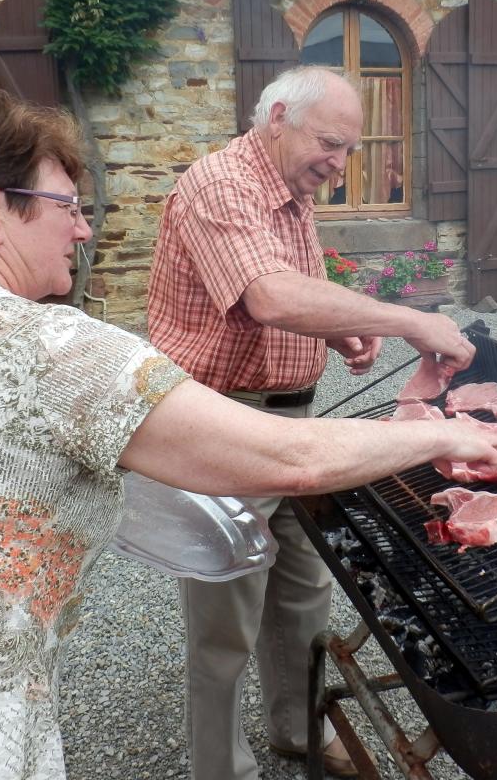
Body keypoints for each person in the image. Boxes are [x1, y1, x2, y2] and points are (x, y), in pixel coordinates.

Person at [0, 88, 497, 780]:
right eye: (67, 208)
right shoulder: (51, 347)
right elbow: (286, 456)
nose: (83, 232)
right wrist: (441, 437)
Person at [147, 66, 478, 780]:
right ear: (276, 119)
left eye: (350, 150)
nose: (338, 162)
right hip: (223, 424)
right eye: (330, 142)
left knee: (303, 593)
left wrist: (335, 332)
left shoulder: (292, 193)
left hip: (297, 424)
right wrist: (412, 319)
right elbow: (268, 297)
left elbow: (294, 290)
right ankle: (220, 768)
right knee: (223, 621)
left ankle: (296, 730)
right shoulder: (220, 184)